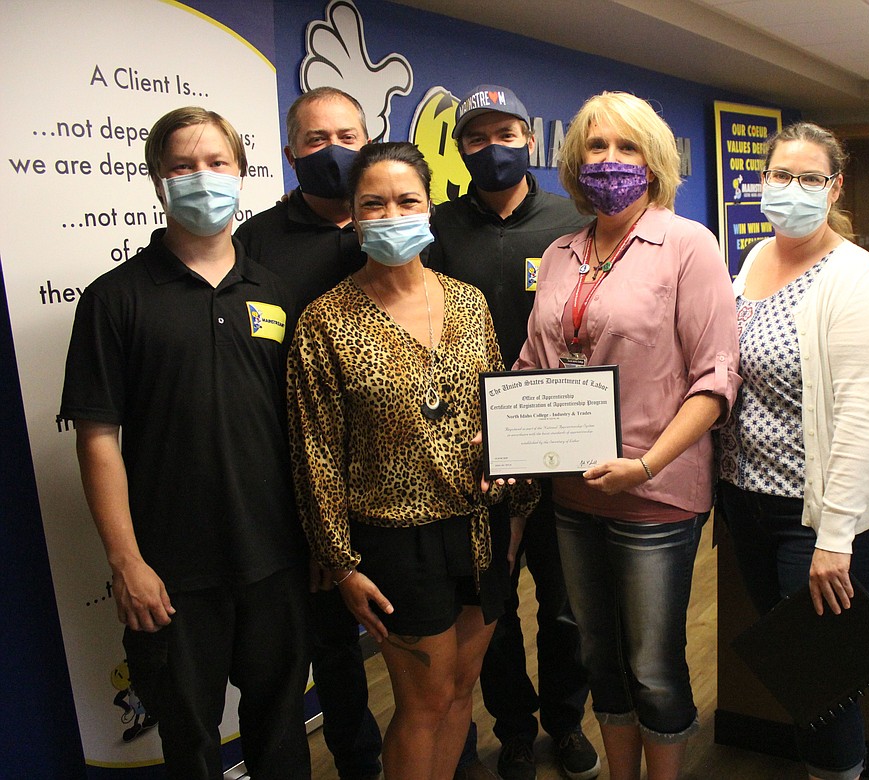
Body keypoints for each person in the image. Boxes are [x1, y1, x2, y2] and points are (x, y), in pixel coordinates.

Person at [60, 106, 311, 778]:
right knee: (191, 745)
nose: (203, 178)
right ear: (157, 181)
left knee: (281, 735)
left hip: (276, 562)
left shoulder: (276, 292)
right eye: (183, 166)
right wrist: (126, 563)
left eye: (216, 164)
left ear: (242, 172)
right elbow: (98, 440)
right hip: (171, 575)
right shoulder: (115, 300)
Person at [287, 141, 538, 780]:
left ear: (429, 207)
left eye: (408, 200)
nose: (393, 213)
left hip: (479, 527)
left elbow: (495, 406)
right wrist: (340, 563)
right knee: (422, 701)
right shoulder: (325, 321)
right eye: (374, 203)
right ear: (354, 216)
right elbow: (314, 451)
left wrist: (514, 498)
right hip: (397, 539)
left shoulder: (467, 301)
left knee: (462, 687)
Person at [515, 91, 740, 780]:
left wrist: (643, 466)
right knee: (597, 656)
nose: (609, 160)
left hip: (656, 494)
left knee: (653, 665)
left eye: (627, 147)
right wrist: (503, 441)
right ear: (575, 161)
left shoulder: (687, 244)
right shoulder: (558, 252)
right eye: (596, 146)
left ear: (654, 161)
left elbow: (715, 379)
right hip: (575, 495)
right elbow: (534, 366)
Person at [716, 122, 869, 780]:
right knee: (794, 674)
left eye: (809, 178)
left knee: (823, 687)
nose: (791, 190)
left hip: (821, 519)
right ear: (761, 181)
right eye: (779, 176)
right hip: (750, 503)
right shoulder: (751, 262)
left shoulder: (857, 279)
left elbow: (863, 420)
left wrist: (836, 537)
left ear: (835, 187)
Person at [428, 84, 596, 780]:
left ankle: (565, 723)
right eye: (476, 137)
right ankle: (515, 730)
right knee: (488, 613)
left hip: (556, 441)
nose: (492, 148)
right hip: (470, 452)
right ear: (461, 148)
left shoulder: (572, 223)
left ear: (532, 140)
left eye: (506, 133)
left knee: (563, 608)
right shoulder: (434, 228)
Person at [235, 86, 382, 780]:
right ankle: (358, 760)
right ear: (291, 152)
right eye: (317, 140)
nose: (334, 151)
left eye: (347, 135)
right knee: (328, 641)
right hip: (302, 474)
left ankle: (451, 752)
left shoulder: (395, 219)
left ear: (371, 136)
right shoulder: (255, 242)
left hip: (396, 471)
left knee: (422, 630)